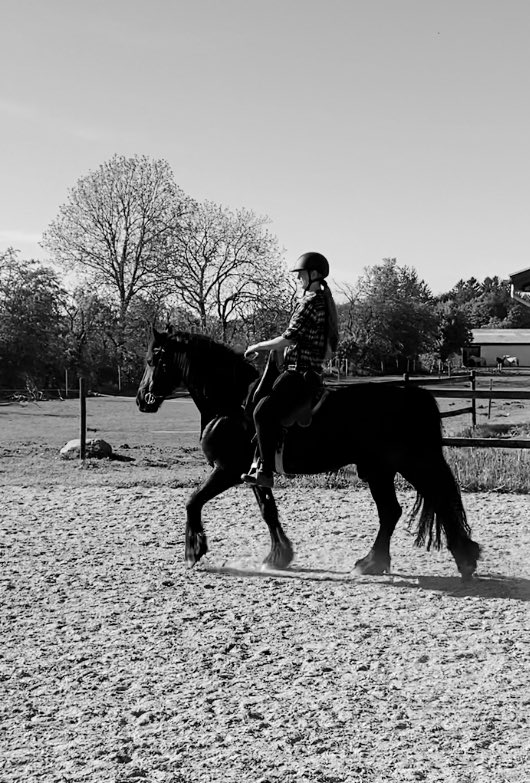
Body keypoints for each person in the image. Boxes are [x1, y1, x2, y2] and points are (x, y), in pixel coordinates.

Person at [241, 251, 339, 488]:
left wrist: (257, 346)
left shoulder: (310, 301)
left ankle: (265, 471)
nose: (298, 279)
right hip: (308, 372)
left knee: (261, 413)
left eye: (300, 275)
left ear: (313, 274)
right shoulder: (323, 303)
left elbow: (288, 338)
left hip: (298, 374)